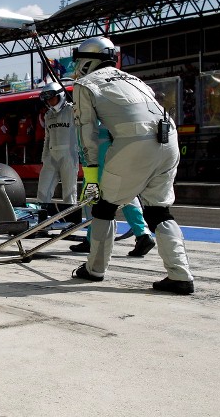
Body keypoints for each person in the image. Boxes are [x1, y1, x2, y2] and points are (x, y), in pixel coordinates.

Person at [70, 36, 193, 294]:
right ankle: (181, 275)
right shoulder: (134, 79)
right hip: (168, 139)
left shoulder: (85, 83)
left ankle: (94, 269)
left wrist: (91, 172)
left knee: (105, 207)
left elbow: (87, 133)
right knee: (159, 211)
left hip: (135, 141)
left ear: (87, 60)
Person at [69, 122, 156, 257]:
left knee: (91, 194)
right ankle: (143, 233)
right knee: (124, 191)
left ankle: (92, 239)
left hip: (99, 148)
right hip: (121, 146)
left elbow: (87, 129)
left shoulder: (88, 103)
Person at [36, 82, 79, 218]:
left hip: (69, 156)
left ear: (60, 95)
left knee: (69, 192)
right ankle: (41, 224)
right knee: (43, 191)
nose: (50, 101)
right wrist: (44, 157)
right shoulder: (48, 115)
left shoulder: (73, 111)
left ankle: (71, 224)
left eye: (52, 97)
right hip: (51, 157)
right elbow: (47, 138)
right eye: (47, 99)